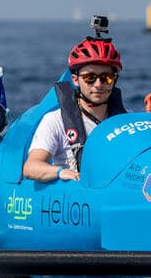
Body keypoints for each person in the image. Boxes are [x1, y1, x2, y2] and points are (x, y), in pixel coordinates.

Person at [23, 36, 128, 182]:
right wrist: (62, 172)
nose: (98, 84)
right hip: (77, 197)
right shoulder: (55, 120)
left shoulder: (127, 120)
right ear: (75, 79)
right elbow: (31, 167)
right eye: (89, 78)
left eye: (106, 78)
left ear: (114, 80)